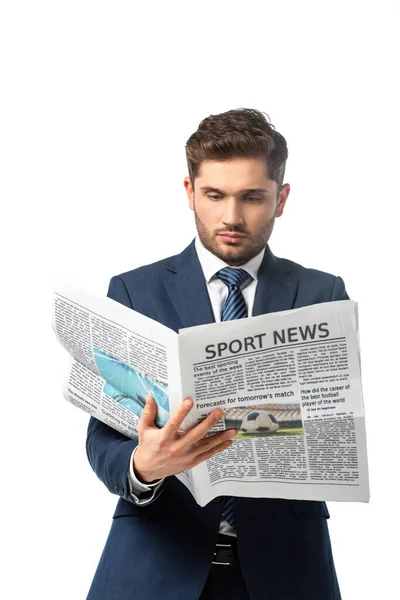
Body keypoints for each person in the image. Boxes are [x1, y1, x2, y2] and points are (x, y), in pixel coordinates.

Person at [85, 108, 345, 600]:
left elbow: (334, 421)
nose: (231, 217)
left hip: (287, 571)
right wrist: (145, 465)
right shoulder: (134, 292)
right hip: (156, 566)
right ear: (189, 193)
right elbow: (102, 437)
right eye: (214, 195)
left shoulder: (321, 293)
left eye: (252, 197)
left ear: (281, 199)